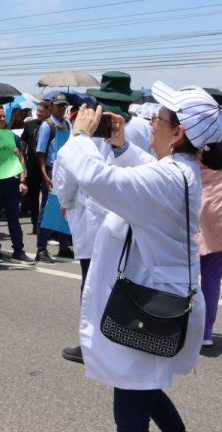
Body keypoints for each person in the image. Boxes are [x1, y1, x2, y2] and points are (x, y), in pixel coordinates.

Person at [57, 82, 222, 431]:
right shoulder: (180, 169)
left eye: (158, 117)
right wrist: (120, 146)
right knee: (146, 390)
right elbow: (148, 169)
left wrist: (80, 136)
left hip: (148, 306)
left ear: (177, 132)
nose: (151, 122)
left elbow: (98, 178)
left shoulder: (168, 178)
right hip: (159, 302)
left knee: (132, 404)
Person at [56, 71, 151, 364]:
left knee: (93, 281)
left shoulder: (86, 128)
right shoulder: (142, 128)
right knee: (129, 278)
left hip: (94, 215)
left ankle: (94, 345)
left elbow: (68, 168)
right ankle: (129, 337)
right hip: (133, 214)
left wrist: (65, 200)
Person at [0, 105, 34, 264]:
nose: (2, 119)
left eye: (3, 116)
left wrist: (22, 180)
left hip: (10, 183)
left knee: (14, 218)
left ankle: (18, 250)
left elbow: (20, 159)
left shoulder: (11, 137)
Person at [35, 93, 74, 263]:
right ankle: (41, 249)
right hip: (51, 172)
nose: (62, 108)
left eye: (63, 105)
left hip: (66, 171)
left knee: (66, 208)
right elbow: (41, 153)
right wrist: (44, 175)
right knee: (46, 210)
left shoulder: (66, 123)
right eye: (58, 105)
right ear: (51, 106)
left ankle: (64, 247)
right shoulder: (47, 125)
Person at [197, 145, 222, 347]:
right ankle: (205, 332)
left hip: (198, 200)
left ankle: (179, 324)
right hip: (219, 203)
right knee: (212, 276)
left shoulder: (198, 129)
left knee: (184, 272)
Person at [20, 101, 50, 233]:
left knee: (47, 196)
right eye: (37, 110)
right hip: (32, 164)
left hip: (47, 166)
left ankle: (47, 225)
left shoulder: (52, 125)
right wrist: (23, 160)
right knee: (33, 195)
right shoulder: (29, 124)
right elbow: (23, 144)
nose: (38, 113)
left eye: (41, 111)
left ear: (49, 112)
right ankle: (34, 223)